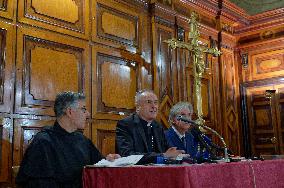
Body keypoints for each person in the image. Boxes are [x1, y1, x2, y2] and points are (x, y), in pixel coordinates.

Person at [16, 91, 120, 188]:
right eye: (83, 109)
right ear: (70, 112)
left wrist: (109, 161)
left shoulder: (83, 140)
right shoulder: (43, 142)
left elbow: (97, 167)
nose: (88, 114)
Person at [116, 89, 184, 164]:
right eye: (149, 102)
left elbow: (168, 151)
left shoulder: (157, 126)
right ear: (138, 106)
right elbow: (126, 155)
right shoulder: (126, 124)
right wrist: (162, 155)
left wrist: (179, 156)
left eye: (155, 102)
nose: (154, 106)